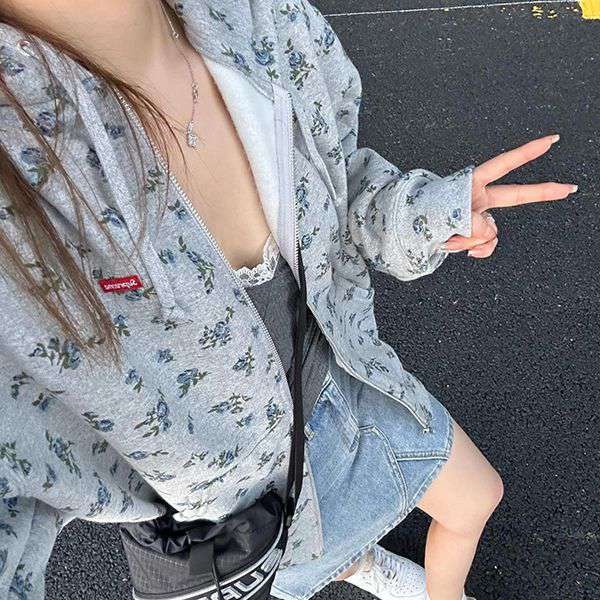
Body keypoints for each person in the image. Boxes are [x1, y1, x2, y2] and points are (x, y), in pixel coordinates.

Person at [0, 1, 577, 600]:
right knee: (312, 559)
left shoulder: (261, 16)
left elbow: (337, 186)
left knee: (478, 498)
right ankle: (362, 567)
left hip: (354, 379)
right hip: (253, 498)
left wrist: (425, 215)